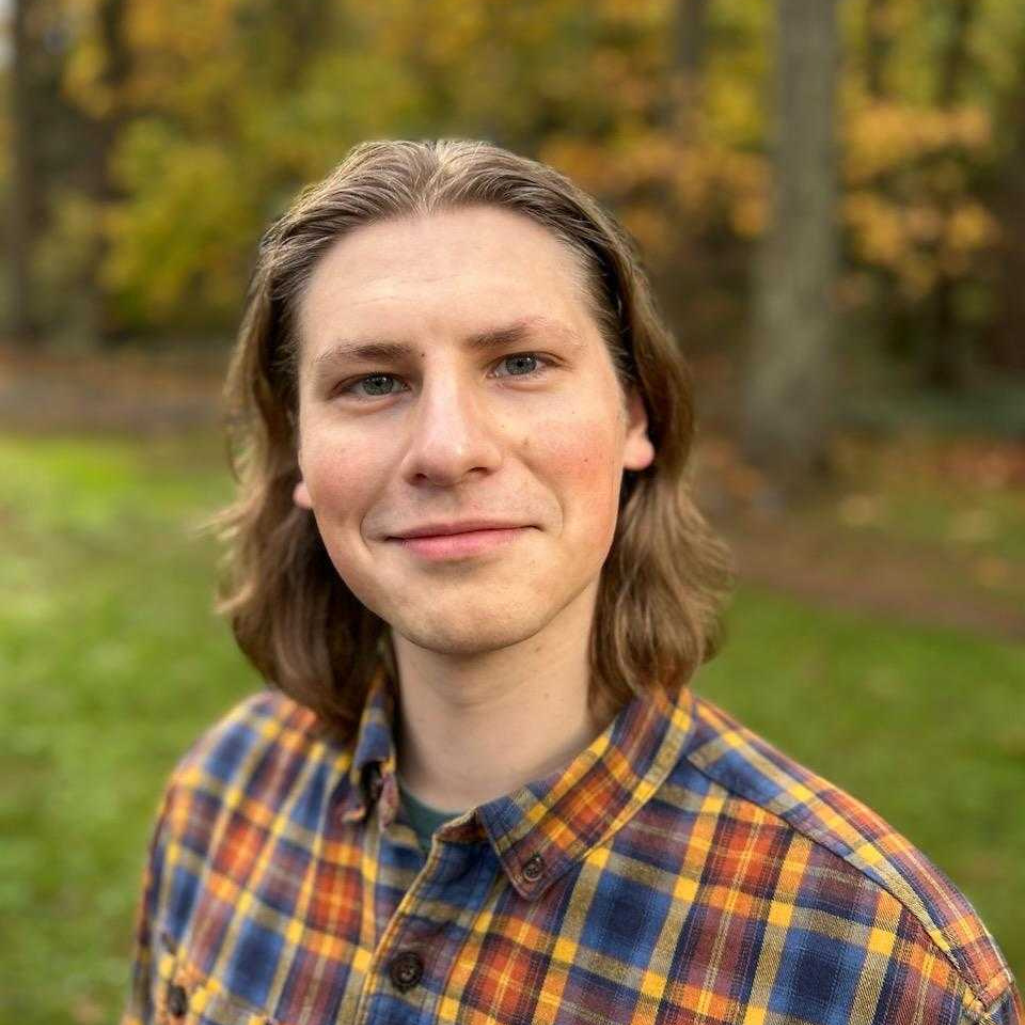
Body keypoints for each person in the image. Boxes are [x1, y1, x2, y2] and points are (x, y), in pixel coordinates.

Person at [122, 139, 1021, 1025]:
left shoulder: (881, 967)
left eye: (519, 364)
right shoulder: (224, 795)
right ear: (300, 457)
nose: (448, 448)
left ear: (636, 415)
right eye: (373, 381)